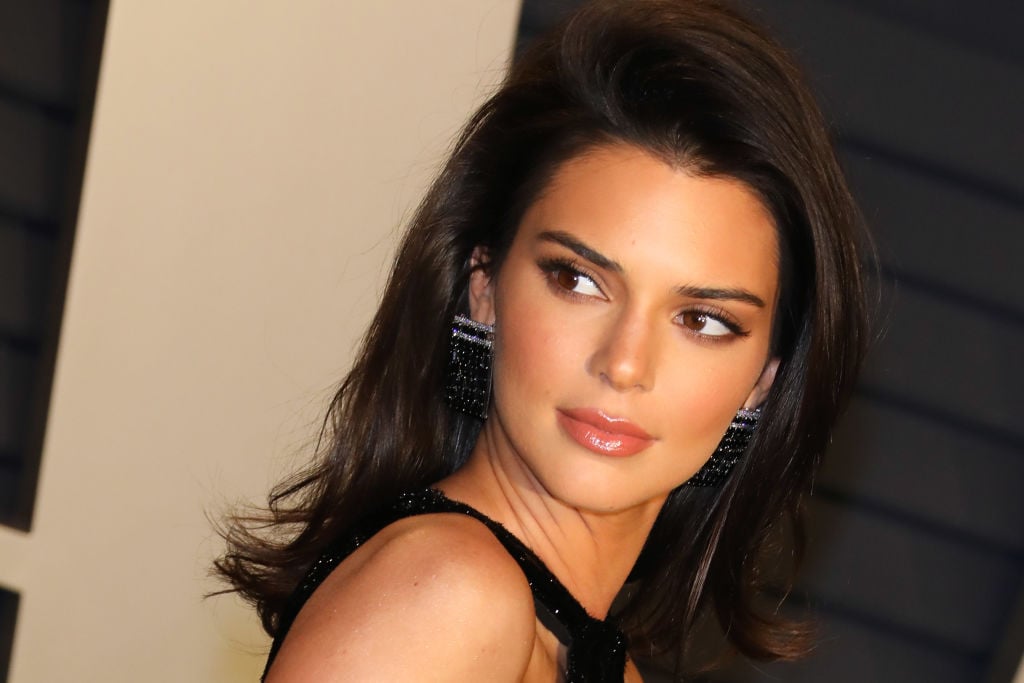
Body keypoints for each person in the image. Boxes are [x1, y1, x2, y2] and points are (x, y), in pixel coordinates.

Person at [215, 0, 871, 680]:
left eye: (702, 320)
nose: (624, 364)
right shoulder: (448, 596)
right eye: (577, 280)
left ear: (762, 380)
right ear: (485, 287)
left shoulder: (580, 651)